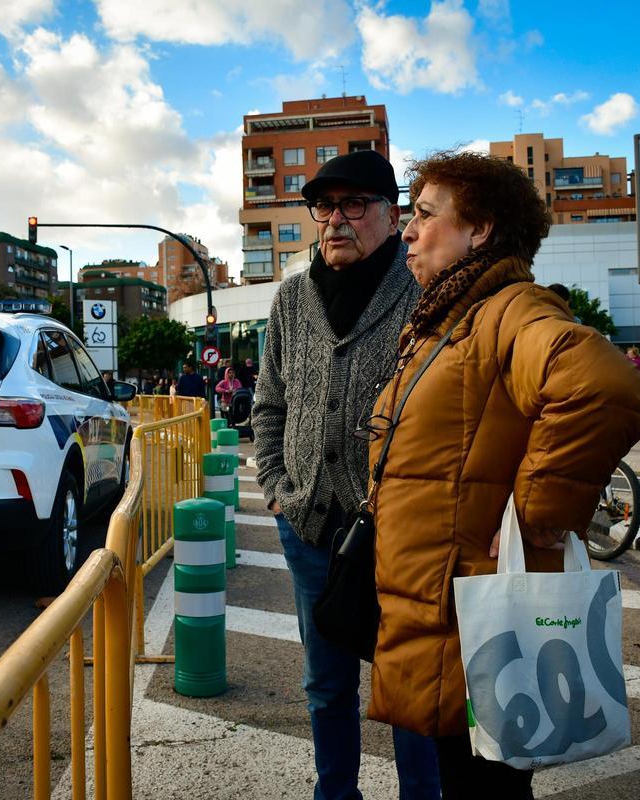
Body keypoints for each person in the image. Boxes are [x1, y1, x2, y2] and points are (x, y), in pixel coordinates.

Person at [366, 150, 640, 797]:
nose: (408, 231)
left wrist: (537, 512)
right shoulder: (455, 319)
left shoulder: (508, 309)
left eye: (426, 215)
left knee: (483, 786)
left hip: (475, 621)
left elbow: (602, 387)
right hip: (440, 611)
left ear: (481, 229)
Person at [252, 149, 441, 799]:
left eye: (353, 205)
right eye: (324, 207)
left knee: (410, 685)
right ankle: (335, 794)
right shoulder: (290, 299)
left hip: (404, 535)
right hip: (308, 525)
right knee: (326, 683)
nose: (335, 220)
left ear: (392, 215)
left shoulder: (425, 292)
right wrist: (276, 488)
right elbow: (268, 405)